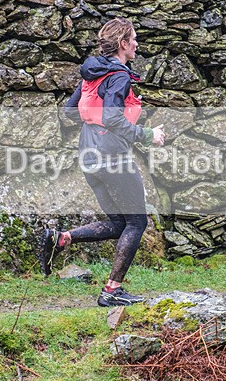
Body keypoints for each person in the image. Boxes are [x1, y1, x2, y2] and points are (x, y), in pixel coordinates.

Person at [37, 18, 166, 307]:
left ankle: (61, 238)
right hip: (113, 156)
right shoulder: (119, 75)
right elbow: (112, 118)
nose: (136, 44)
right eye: (133, 39)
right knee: (136, 221)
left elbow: (70, 114)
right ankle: (112, 290)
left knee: (120, 222)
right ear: (122, 43)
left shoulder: (92, 74)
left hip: (89, 156)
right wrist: (148, 135)